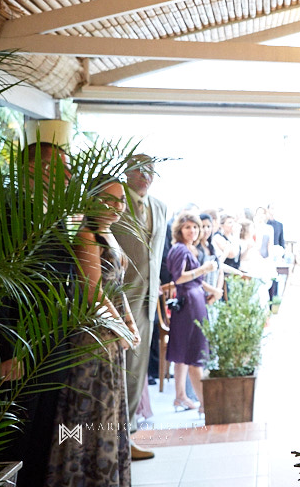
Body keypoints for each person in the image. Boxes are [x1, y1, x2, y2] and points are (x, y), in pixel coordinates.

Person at [0, 142, 76, 487]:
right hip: (19, 351)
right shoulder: (7, 214)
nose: (71, 176)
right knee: (17, 440)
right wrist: (3, 351)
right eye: (63, 168)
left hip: (48, 345)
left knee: (45, 436)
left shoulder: (51, 214)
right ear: (36, 170)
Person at [46, 176, 140, 486]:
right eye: (109, 199)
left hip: (111, 335)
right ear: (92, 200)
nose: (117, 206)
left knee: (109, 411)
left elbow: (116, 288)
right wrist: (119, 328)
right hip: (94, 337)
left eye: (121, 200)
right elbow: (93, 293)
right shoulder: (86, 236)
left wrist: (130, 323)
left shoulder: (108, 234)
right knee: (92, 410)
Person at [112, 154, 167, 460]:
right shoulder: (115, 204)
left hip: (146, 304)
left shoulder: (160, 207)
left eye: (151, 170)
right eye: (139, 170)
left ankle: (127, 439)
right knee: (118, 374)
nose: (146, 175)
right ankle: (112, 440)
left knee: (137, 374)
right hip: (119, 302)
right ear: (127, 173)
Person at [165, 212, 219, 414]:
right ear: (179, 229)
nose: (193, 231)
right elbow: (179, 278)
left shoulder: (189, 249)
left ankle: (180, 396)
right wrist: (204, 269)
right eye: (188, 227)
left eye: (195, 227)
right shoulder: (179, 249)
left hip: (193, 300)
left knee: (182, 353)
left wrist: (211, 289)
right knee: (195, 353)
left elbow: (193, 278)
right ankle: (205, 404)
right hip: (188, 304)